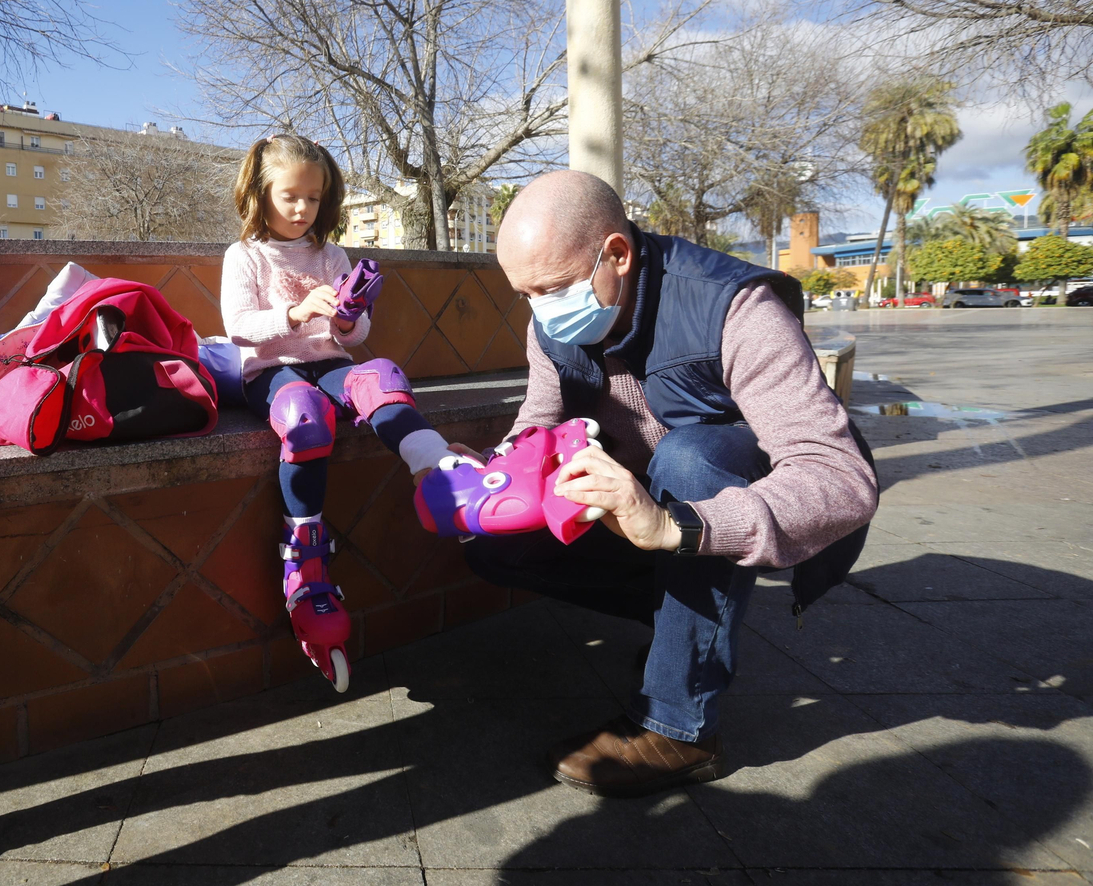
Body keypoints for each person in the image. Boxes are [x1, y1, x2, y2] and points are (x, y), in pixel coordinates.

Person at [464, 170, 878, 798]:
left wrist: (673, 526)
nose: (541, 310)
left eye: (551, 289)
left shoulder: (735, 308)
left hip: (713, 502)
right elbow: (538, 425)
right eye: (525, 294)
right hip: (642, 510)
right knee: (495, 541)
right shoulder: (550, 325)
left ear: (617, 254)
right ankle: (684, 630)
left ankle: (681, 727)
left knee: (691, 457)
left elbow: (840, 478)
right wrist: (488, 472)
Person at [221, 134, 460, 693]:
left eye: (313, 198)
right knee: (305, 419)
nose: (302, 209)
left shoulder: (330, 254)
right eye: (290, 197)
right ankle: (305, 560)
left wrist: (348, 317)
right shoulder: (245, 255)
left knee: (381, 378)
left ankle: (439, 467)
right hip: (272, 372)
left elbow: (355, 335)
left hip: (328, 363)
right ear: (259, 193)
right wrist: (296, 311)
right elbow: (239, 327)